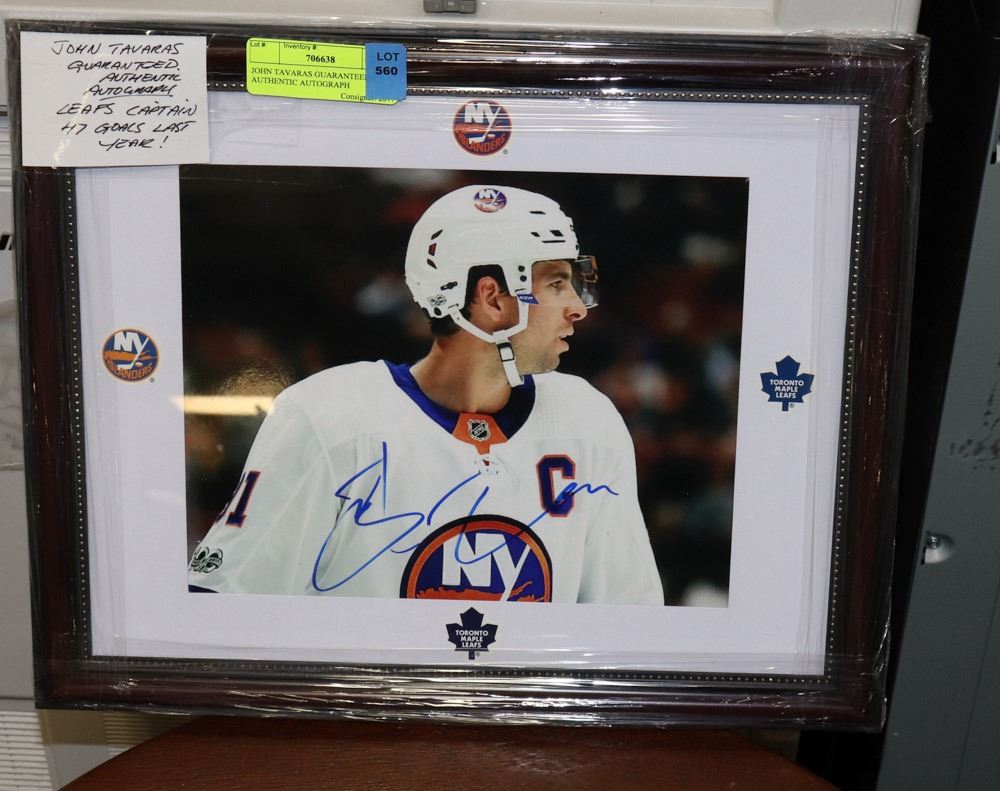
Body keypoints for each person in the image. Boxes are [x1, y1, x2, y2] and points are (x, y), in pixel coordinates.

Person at [188, 185, 663, 605]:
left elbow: (627, 621)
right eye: (557, 282)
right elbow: (224, 603)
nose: (577, 307)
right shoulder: (327, 416)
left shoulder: (589, 420)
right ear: (492, 297)